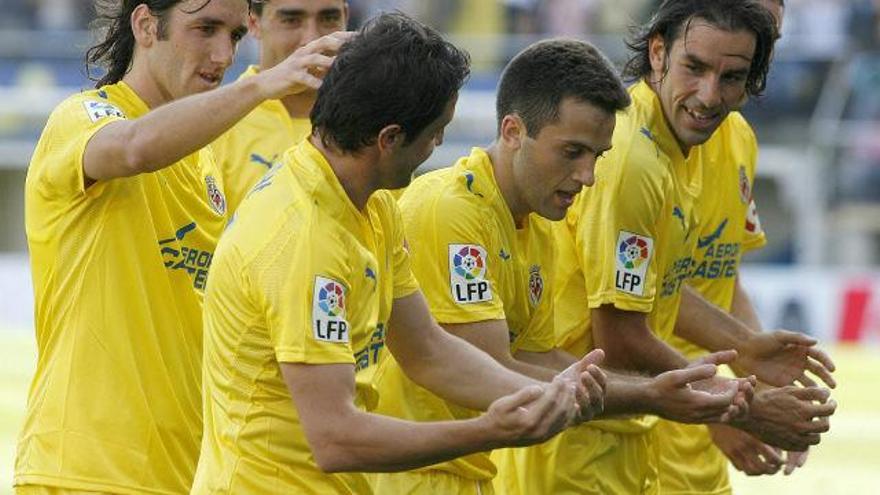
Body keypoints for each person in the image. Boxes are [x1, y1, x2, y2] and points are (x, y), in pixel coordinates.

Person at [191, 13, 606, 495]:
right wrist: (488, 430)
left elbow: (426, 349)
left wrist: (544, 395)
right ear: (388, 139)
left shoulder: (371, 204)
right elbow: (335, 439)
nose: (439, 144)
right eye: (435, 131)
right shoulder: (303, 237)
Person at [371, 38, 755, 495]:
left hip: (465, 470)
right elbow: (496, 369)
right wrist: (650, 394)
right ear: (512, 131)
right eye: (572, 152)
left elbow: (536, 355)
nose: (588, 175)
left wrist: (659, 389)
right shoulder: (451, 211)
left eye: (597, 156)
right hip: (405, 476)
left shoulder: (538, 227)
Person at [495, 1, 834, 493]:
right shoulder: (632, 160)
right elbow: (618, 329)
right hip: (582, 437)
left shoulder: (718, 141)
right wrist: (741, 403)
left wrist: (746, 354)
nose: (708, 94)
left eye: (732, 75)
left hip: (640, 421)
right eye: (694, 67)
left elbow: (672, 286)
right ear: (659, 53)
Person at [16, 0, 349, 492]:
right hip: (85, 468)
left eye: (234, 36)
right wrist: (261, 85)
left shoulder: (203, 162)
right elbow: (131, 148)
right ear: (146, 25)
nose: (222, 53)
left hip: (185, 472)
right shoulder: (83, 117)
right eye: (205, 29)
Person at [660, 0, 836, 489]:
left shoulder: (736, 137)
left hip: (708, 422)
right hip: (646, 420)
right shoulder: (633, 147)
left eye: (769, 38)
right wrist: (728, 408)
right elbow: (617, 310)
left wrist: (762, 385)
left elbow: (722, 273)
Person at [212, 0, 348, 214]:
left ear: (346, 18)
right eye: (291, 20)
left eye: (329, 19)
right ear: (254, 24)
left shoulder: (376, 121)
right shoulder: (215, 125)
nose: (312, 38)